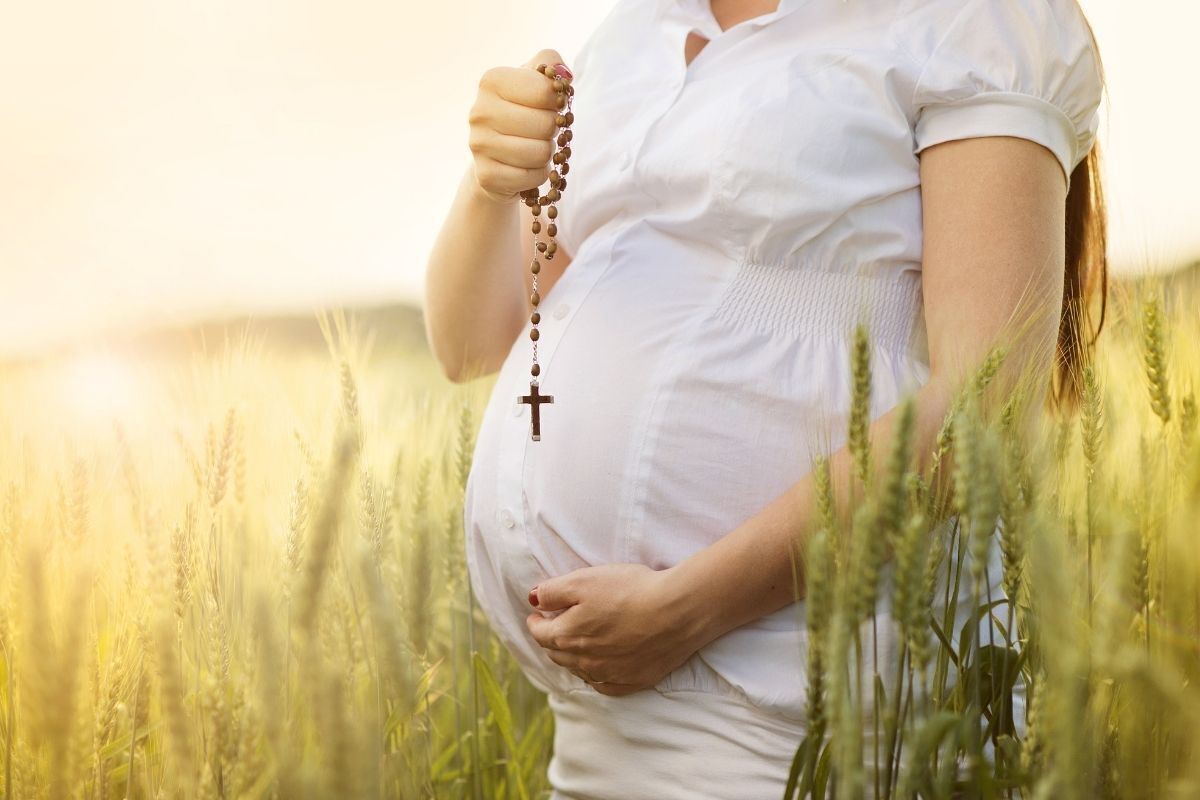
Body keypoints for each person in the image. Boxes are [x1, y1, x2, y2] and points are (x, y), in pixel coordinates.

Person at [424, 0, 1107, 796]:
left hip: (803, 725)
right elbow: (470, 343)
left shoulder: (974, 20)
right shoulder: (629, 36)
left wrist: (686, 609)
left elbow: (985, 410)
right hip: (599, 738)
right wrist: (491, 182)